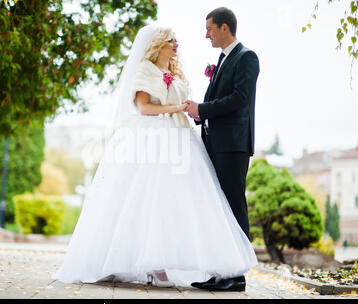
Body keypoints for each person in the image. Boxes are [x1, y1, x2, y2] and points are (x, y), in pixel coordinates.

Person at [51, 25, 257, 290]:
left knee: (178, 202)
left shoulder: (174, 72)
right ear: (159, 44)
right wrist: (177, 108)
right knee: (146, 198)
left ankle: (168, 263)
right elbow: (143, 107)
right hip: (152, 140)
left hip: (181, 140)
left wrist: (192, 109)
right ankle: (137, 262)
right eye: (172, 41)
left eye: (176, 41)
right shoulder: (145, 70)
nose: (176, 45)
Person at [185, 7, 260, 291]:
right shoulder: (223, 58)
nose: (207, 35)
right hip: (216, 144)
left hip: (233, 147)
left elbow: (240, 99)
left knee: (234, 206)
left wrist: (202, 109)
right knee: (219, 208)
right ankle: (221, 271)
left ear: (225, 28)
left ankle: (237, 275)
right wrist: (199, 112)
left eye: (210, 29)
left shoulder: (247, 57)